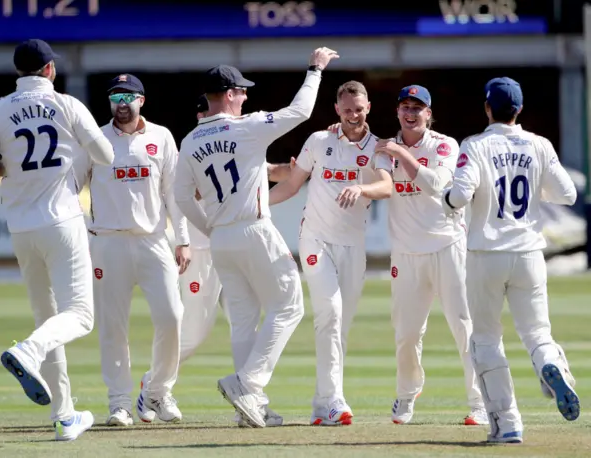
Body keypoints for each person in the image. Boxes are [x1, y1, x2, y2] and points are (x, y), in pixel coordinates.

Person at [174, 47, 339, 428]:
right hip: (253, 229)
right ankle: (247, 383)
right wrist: (315, 69)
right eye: (242, 91)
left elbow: (182, 197)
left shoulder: (191, 140)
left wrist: (209, 228)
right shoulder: (245, 126)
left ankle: (253, 409)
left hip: (221, 238)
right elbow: (300, 112)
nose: (246, 95)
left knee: (244, 320)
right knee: (290, 305)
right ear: (229, 94)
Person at [0, 39, 115, 441]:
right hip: (62, 221)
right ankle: (27, 352)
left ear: (18, 71)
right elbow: (105, 155)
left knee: (47, 319)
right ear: (49, 70)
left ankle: (65, 415)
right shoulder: (68, 105)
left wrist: (3, 163)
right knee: (80, 316)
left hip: (21, 228)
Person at [139, 94, 295, 428]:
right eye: (199, 112)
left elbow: (271, 172)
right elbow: (177, 200)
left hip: (223, 247)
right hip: (200, 252)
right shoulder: (190, 152)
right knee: (195, 332)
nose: (202, 116)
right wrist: (183, 242)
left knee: (245, 321)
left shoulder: (232, 144)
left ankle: (251, 403)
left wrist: (299, 169)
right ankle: (151, 387)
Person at [442, 77, 579, 443]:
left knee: (485, 339)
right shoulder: (540, 144)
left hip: (486, 254)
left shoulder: (475, 145)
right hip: (529, 252)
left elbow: (458, 196)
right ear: (518, 110)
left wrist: (446, 197)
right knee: (537, 333)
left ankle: (507, 423)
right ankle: (551, 365)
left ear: (488, 108)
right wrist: (536, 192)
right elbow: (566, 194)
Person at [268, 81, 393, 426]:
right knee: (331, 314)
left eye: (359, 109)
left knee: (340, 324)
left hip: (353, 245)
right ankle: (336, 400)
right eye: (347, 110)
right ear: (337, 110)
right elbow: (293, 184)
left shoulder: (378, 147)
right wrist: (257, 205)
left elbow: (388, 186)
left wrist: (362, 186)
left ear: (368, 107)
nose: (354, 115)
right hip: (315, 241)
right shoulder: (318, 141)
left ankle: (321, 404)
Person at [73, 74, 191, 427]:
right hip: (108, 242)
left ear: (142, 100)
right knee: (113, 326)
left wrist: (182, 239)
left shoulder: (162, 136)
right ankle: (120, 402)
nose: (121, 103)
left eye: (128, 96)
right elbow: (71, 187)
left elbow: (175, 192)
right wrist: (82, 236)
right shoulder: (95, 139)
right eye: (115, 96)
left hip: (154, 240)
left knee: (172, 317)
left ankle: (157, 391)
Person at [371, 85, 487, 426]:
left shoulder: (444, 145)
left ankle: (480, 402)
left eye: (417, 108)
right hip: (406, 254)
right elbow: (380, 180)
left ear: (429, 113)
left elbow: (436, 184)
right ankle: (407, 396)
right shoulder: (383, 151)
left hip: (447, 247)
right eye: (405, 106)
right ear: (397, 112)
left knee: (464, 328)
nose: (410, 113)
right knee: (406, 333)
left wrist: (399, 153)